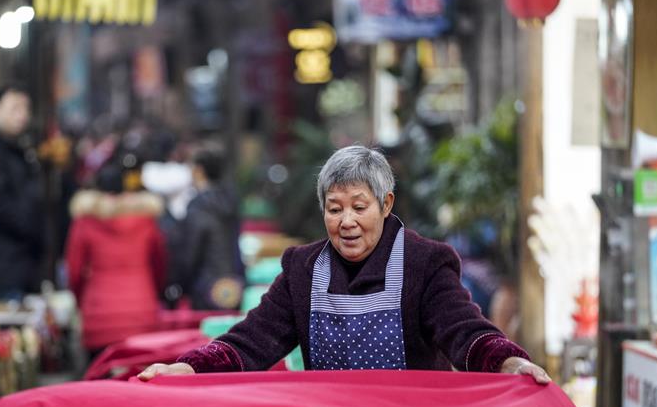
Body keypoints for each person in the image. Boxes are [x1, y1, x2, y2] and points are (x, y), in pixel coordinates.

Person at [139, 145, 550, 383]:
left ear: (386, 204)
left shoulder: (424, 263)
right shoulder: (303, 270)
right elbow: (251, 342)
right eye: (334, 209)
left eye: (359, 207)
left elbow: (465, 330)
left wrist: (505, 360)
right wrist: (189, 368)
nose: (346, 221)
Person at [65, 161, 167, 361]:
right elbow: (160, 265)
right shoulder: (146, 221)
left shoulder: (85, 222)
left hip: (99, 316)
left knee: (101, 386)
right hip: (142, 313)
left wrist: (81, 303)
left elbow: (74, 271)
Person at [0, 84, 44, 301]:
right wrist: (29, 225)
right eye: (15, 108)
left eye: (26, 109)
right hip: (5, 263)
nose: (22, 115)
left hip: (24, 263)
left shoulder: (21, 150)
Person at [178, 144, 245, 310]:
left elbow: (191, 252)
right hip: (233, 285)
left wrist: (180, 285)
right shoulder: (231, 201)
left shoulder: (198, 206)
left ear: (199, 170)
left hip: (205, 287)